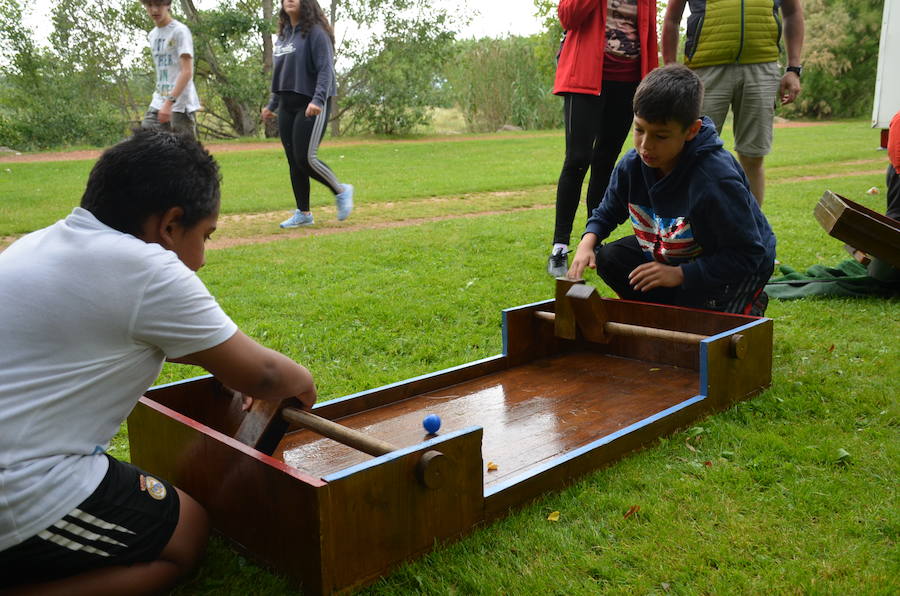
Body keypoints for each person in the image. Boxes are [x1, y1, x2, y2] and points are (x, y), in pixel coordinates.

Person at [0, 130, 317, 595]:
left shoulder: (36, 244)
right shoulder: (149, 268)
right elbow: (266, 375)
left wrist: (219, 365)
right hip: (21, 491)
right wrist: (302, 385)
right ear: (170, 225)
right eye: (205, 236)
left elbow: (143, 339)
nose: (203, 258)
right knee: (186, 534)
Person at [567, 65, 776, 316]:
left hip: (738, 264)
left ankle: (745, 302)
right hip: (680, 253)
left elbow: (749, 254)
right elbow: (608, 211)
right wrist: (587, 242)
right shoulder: (632, 164)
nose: (645, 146)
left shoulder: (715, 179)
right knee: (612, 258)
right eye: (639, 129)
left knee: (698, 335)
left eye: (661, 136)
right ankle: (674, 305)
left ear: (691, 131)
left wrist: (680, 274)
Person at [548, 0, 659, 277]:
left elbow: (647, 32)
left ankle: (592, 242)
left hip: (629, 80)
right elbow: (568, 17)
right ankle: (559, 247)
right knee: (577, 160)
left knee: (605, 161)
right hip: (584, 76)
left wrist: (652, 80)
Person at [661, 0, 805, 206]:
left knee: (753, 157)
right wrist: (670, 69)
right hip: (704, 68)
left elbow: (793, 13)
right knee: (691, 154)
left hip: (761, 67)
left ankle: (750, 233)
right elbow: (672, 19)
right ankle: (684, 234)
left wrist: (793, 69)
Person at [262, 0, 353, 229]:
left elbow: (326, 68)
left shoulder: (316, 32)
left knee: (306, 158)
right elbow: (281, 73)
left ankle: (341, 191)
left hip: (311, 103)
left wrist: (318, 99)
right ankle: (303, 213)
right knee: (294, 161)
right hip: (287, 104)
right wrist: (272, 104)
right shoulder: (283, 35)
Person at [140, 0, 201, 139]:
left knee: (184, 153)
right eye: (150, 5)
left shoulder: (179, 31)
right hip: (158, 100)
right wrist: (163, 103)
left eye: (158, 5)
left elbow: (187, 72)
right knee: (143, 144)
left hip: (180, 105)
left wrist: (169, 104)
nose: (154, 10)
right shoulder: (152, 35)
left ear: (167, 5)